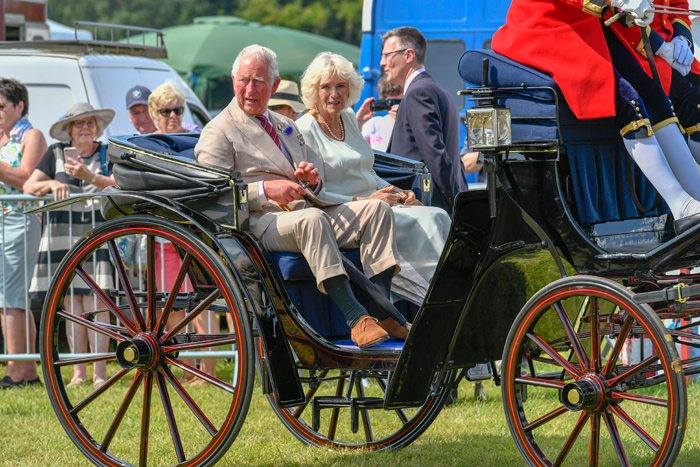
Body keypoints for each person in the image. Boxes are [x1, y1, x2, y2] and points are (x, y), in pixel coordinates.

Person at [195, 44, 404, 348]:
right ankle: (356, 317)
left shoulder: (286, 125)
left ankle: (382, 312)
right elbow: (211, 197)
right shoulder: (219, 130)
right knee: (312, 219)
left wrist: (310, 180)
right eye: (244, 80)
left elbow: (310, 182)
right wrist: (266, 190)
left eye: (259, 81)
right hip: (258, 223)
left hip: (304, 210)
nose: (250, 89)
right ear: (233, 80)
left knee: (377, 210)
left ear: (274, 86)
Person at [491, 0, 700, 234]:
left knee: (653, 96)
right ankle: (680, 205)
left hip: (586, 24)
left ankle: (694, 198)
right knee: (627, 100)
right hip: (547, 26)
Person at [297, 52, 450, 305]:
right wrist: (367, 199)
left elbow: (366, 170)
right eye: (326, 87)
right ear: (315, 90)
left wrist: (395, 190)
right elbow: (316, 192)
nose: (334, 94)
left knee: (438, 215)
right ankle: (431, 298)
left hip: (378, 202)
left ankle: (446, 292)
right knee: (427, 222)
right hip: (344, 211)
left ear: (350, 89)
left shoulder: (348, 118)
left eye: (340, 86)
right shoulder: (306, 128)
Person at [23, 103, 117, 388]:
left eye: (89, 123)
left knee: (96, 303)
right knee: (72, 305)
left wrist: (89, 177)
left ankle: (100, 373)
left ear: (97, 127)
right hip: (62, 238)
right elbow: (29, 186)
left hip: (96, 236)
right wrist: (51, 184)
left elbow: (118, 185)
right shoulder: (54, 153)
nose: (85, 128)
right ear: (69, 130)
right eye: (79, 124)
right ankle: (79, 373)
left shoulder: (106, 152)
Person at [382, 26, 467, 214]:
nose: (382, 63)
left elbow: (436, 154)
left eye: (387, 56)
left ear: (409, 55)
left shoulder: (417, 93)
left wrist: (455, 204)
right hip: (436, 204)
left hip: (425, 208)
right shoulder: (440, 91)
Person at [0, 78, 47, 388]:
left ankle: (18, 371)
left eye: (1, 106)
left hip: (20, 219)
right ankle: (25, 370)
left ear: (19, 106)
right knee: (5, 295)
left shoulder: (32, 135)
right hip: (2, 221)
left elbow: (27, 179)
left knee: (12, 296)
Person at [356, 76, 403, 152]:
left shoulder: (415, 125)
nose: (395, 106)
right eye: (390, 102)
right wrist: (358, 122)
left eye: (399, 102)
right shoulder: (374, 124)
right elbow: (356, 148)